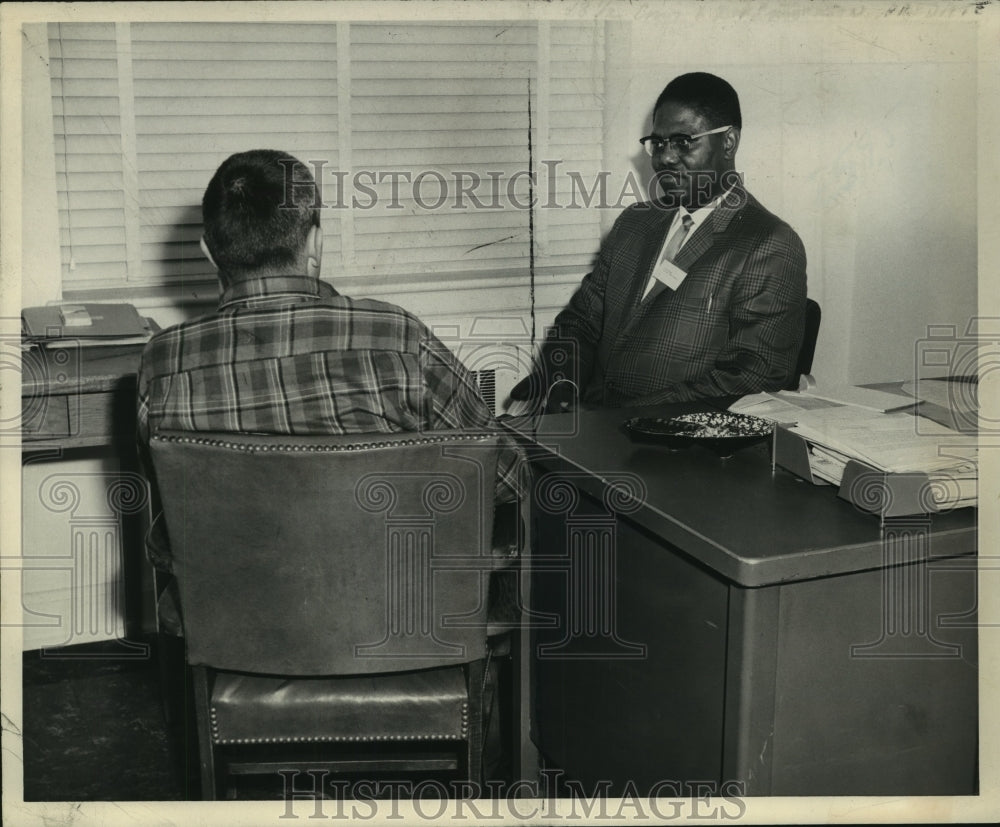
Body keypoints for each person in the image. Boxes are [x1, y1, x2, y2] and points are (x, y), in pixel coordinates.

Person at [137, 149, 523, 573]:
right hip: (393, 619)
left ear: (208, 252)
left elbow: (173, 509)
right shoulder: (398, 336)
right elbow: (505, 476)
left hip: (233, 629)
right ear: (316, 243)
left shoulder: (161, 361)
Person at [511, 72, 807, 411]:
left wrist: (620, 419)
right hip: (596, 430)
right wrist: (563, 381)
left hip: (676, 448)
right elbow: (580, 321)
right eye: (659, 143)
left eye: (683, 142)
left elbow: (750, 380)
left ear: (728, 142)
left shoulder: (768, 243)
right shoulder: (634, 223)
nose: (665, 158)